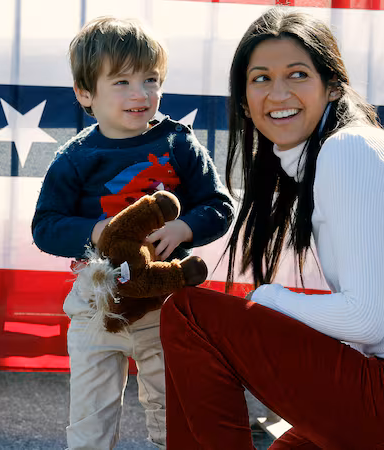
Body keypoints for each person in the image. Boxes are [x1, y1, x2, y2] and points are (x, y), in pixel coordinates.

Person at [159, 8, 384, 450]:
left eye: (298, 74)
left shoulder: (350, 149)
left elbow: (364, 318)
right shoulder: (339, 153)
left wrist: (266, 300)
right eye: (261, 78)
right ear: (244, 100)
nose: (278, 92)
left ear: (333, 86)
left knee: (188, 313)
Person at [31, 17, 234, 450]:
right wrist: (96, 231)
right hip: (96, 300)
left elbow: (219, 206)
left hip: (165, 298)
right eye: (121, 81)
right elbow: (45, 226)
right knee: (91, 415)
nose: (140, 94)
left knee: (171, 407)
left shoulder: (178, 144)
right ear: (85, 93)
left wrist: (184, 226)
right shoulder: (74, 158)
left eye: (151, 80)